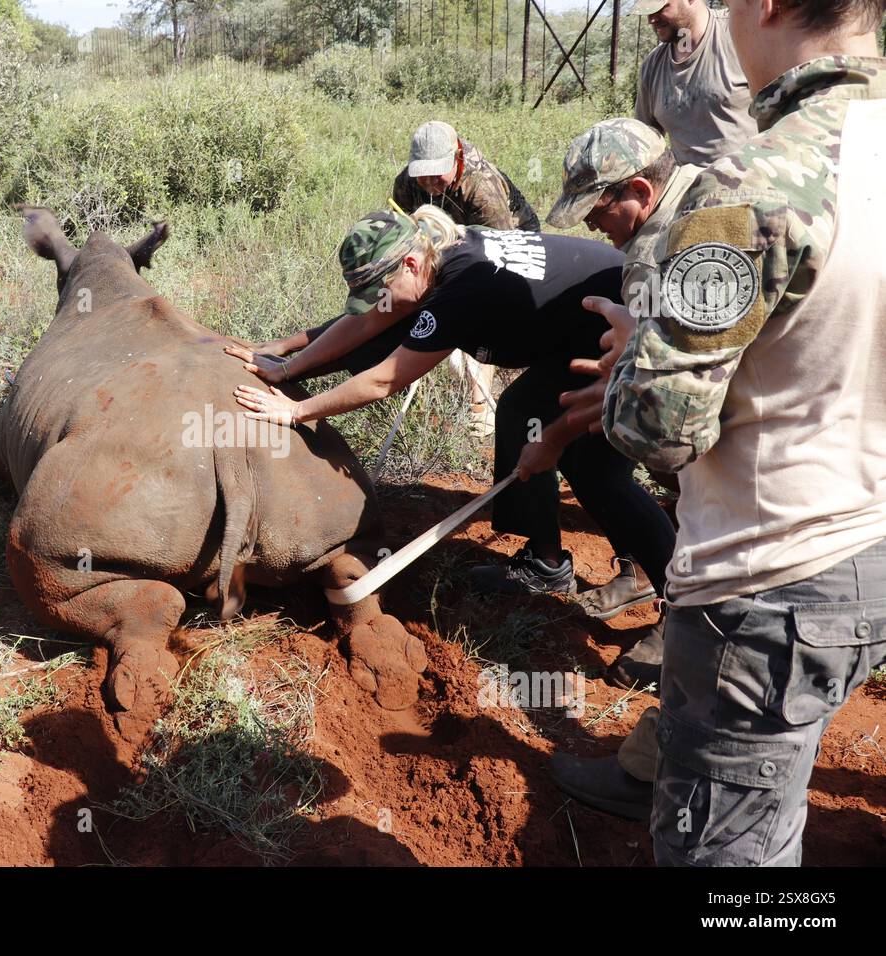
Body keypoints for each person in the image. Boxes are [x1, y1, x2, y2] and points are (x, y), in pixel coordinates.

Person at [582, 0, 886, 863]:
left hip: (772, 578)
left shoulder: (753, 182)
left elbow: (658, 428)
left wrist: (632, 354)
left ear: (771, 6)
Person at [224, 207, 676, 606]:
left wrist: (297, 412)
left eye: (381, 290)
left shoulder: (463, 287)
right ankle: (556, 563)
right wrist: (286, 365)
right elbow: (366, 322)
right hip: (586, 327)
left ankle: (679, 602)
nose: (380, 306)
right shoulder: (439, 252)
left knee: (590, 467)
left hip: (620, 332)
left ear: (410, 264)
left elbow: (385, 379)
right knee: (525, 416)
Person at [544, 117, 703, 690]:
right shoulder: (705, 191)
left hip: (731, 426)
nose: (591, 226)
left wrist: (608, 399)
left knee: (700, 502)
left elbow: (672, 402)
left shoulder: (667, 248)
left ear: (639, 190)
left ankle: (688, 631)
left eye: (596, 211)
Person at [630, 0, 758, 166]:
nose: (651, 20)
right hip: (686, 188)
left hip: (749, 184)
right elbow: (644, 140)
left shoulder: (740, 32)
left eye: (660, 8)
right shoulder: (652, 66)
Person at [392, 120, 541, 232]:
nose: (430, 181)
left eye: (438, 172)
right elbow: (400, 232)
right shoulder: (406, 183)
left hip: (514, 236)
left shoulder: (482, 190)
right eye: (423, 172)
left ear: (457, 158)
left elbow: (500, 248)